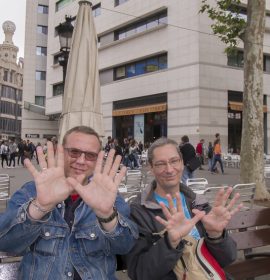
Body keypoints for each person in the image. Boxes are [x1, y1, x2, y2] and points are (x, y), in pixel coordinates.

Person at [0, 126, 138, 280]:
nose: (81, 161)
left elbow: (126, 245)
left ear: (99, 159)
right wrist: (39, 207)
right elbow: (4, 242)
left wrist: (107, 216)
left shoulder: (108, 197)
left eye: (90, 155)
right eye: (74, 152)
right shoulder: (31, 192)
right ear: (62, 152)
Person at [126, 137, 241, 280]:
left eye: (174, 161)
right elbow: (139, 272)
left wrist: (216, 235)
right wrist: (170, 242)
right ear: (151, 168)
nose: (169, 169)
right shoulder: (139, 211)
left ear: (182, 163)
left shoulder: (197, 203)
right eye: (161, 164)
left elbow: (228, 258)